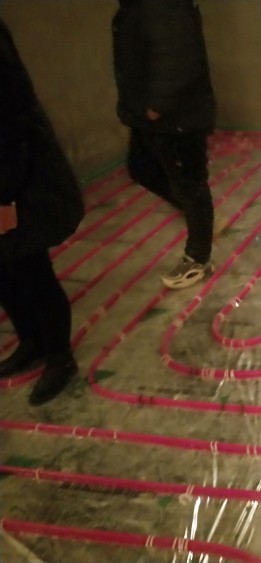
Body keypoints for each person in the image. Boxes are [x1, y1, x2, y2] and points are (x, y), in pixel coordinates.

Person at [0, 18, 84, 405]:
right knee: (4, 273)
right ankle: (31, 341)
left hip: (13, 180)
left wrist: (5, 195)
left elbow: (12, 120)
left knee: (30, 268)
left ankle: (59, 357)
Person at [112, 0, 217, 289]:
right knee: (141, 168)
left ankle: (198, 259)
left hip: (177, 117)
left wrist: (158, 105)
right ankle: (198, 217)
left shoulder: (164, 6)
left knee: (190, 184)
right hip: (152, 115)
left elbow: (178, 55)